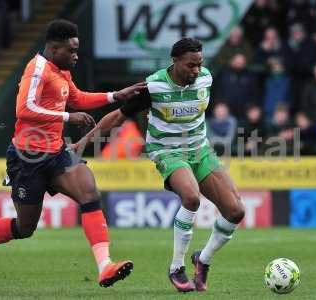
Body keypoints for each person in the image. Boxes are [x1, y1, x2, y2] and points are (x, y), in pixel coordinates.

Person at [0, 19, 146, 287]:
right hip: (28, 157)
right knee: (25, 228)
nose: (76, 56)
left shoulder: (61, 70)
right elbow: (24, 109)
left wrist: (116, 96)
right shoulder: (37, 69)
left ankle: (105, 266)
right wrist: (69, 116)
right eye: (72, 51)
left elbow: (77, 97)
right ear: (54, 47)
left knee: (90, 193)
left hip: (57, 152)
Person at [74, 38, 245, 292]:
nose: (196, 70)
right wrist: (83, 142)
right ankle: (177, 268)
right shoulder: (153, 86)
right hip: (166, 150)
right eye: (190, 65)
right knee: (191, 197)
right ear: (174, 62)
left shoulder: (206, 78)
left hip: (200, 149)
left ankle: (203, 260)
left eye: (199, 64)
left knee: (235, 212)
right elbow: (118, 116)